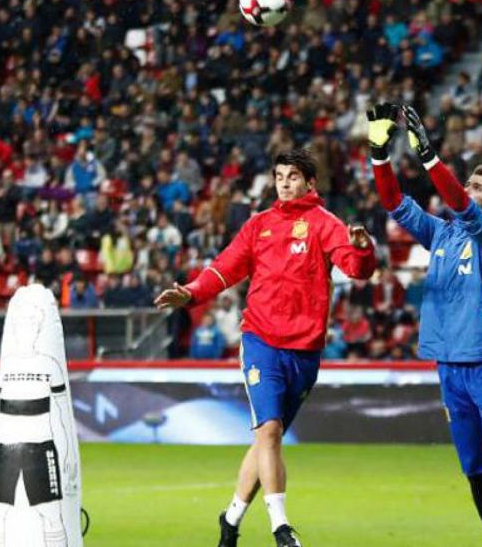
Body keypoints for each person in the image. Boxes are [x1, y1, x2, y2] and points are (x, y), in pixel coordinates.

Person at [154, 149, 376, 547]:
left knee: (265, 441)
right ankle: (281, 526)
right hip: (261, 341)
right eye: (279, 176)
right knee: (270, 431)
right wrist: (190, 293)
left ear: (310, 183)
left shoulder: (326, 225)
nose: (285, 182)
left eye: (293, 176)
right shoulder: (259, 226)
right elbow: (224, 268)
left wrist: (361, 249)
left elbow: (357, 270)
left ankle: (231, 519)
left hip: (305, 352)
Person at [368, 103, 482, 547]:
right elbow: (393, 203)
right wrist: (379, 155)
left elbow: (460, 204)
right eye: (468, 182)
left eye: (477, 186)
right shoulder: (441, 233)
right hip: (448, 365)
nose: (467, 188)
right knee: (473, 468)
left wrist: (430, 159)